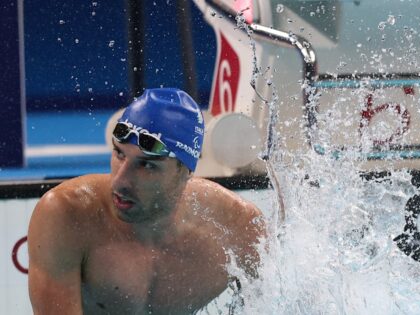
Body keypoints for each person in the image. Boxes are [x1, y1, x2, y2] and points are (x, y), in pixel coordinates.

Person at [27, 88, 265, 314]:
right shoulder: (66, 216)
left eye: (147, 165)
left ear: (185, 171)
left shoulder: (239, 228)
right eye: (119, 153)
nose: (120, 182)